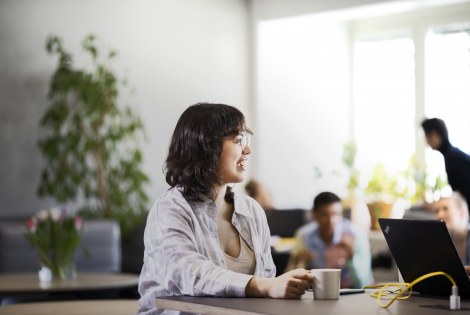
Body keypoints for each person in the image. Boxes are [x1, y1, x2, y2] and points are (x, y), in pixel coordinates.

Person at [138, 103, 313, 315]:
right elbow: (189, 274)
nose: (248, 150)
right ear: (205, 146)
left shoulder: (251, 211)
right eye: (238, 141)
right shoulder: (170, 209)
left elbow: (266, 282)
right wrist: (265, 286)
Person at [286, 192, 372, 288]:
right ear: (314, 214)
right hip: (317, 293)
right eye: (324, 215)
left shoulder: (356, 234)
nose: (331, 221)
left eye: (336, 214)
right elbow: (289, 280)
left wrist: (352, 256)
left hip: (350, 293)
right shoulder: (304, 235)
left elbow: (365, 282)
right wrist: (299, 262)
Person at [421, 118, 470, 207]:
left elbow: (463, 198)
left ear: (434, 135)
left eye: (426, 136)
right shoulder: (453, 155)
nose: (427, 141)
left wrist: (436, 205)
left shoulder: (454, 158)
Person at [434, 192, 470, 265]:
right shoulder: (442, 244)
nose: (439, 215)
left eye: (445, 208)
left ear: (461, 212)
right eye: (436, 211)